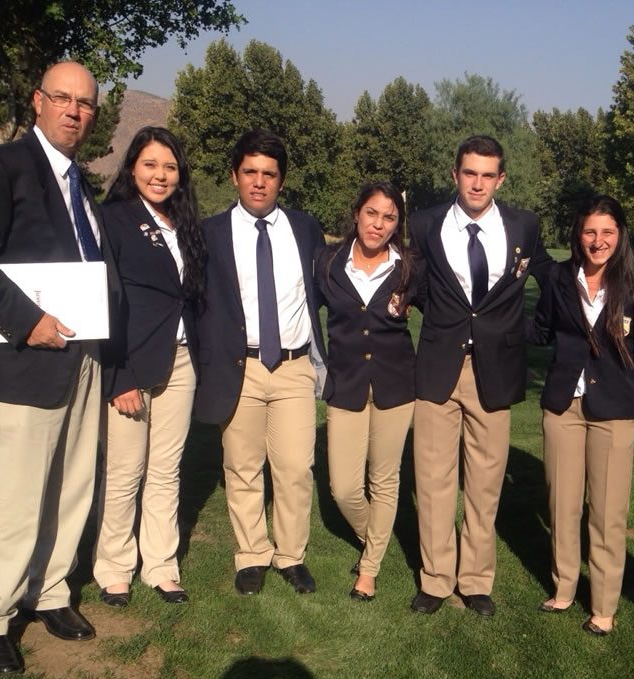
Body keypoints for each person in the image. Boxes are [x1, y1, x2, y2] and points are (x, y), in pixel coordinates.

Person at [0, 61, 113, 675]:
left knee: (72, 485)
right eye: (62, 98)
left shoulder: (80, 183)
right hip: (25, 357)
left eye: (85, 104)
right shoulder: (2, 167)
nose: (74, 111)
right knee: (14, 494)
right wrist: (26, 319)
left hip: (83, 356)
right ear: (38, 102)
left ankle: (50, 590)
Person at [407, 135, 552, 617]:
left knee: (485, 483)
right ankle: (435, 579)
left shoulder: (524, 225)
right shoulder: (425, 223)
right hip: (438, 367)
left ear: (501, 179)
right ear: (455, 174)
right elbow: (416, 284)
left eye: (488, 175)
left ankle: (474, 580)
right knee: (433, 480)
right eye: (470, 173)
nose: (477, 183)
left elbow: (549, 279)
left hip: (497, 369)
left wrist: (533, 328)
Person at [193, 129, 327, 596]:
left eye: (269, 174)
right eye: (250, 172)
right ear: (234, 176)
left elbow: (325, 289)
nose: (259, 182)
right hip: (239, 366)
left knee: (295, 468)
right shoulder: (209, 233)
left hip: (293, 366)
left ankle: (291, 555)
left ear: (281, 181)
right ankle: (252, 554)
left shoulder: (305, 228)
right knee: (242, 466)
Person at [532, 195, 634, 634]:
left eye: (607, 232)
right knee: (562, 505)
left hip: (614, 411)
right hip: (563, 407)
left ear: (621, 234)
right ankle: (564, 588)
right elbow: (541, 329)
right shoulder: (558, 277)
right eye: (590, 231)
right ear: (578, 233)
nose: (598, 240)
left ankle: (604, 607)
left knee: (607, 513)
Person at [93, 127, 206, 607]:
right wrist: (117, 375)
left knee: (165, 470)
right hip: (131, 362)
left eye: (170, 167)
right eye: (150, 164)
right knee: (125, 471)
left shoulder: (185, 223)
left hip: (181, 362)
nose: (160, 175)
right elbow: (103, 300)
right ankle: (114, 566)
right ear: (132, 168)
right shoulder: (113, 220)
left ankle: (160, 565)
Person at [316, 181, 420, 600]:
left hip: (397, 386)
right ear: (357, 213)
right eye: (372, 213)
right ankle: (374, 536)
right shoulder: (328, 263)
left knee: (384, 479)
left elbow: (442, 314)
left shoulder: (409, 267)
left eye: (389, 217)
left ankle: (369, 568)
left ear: (397, 224)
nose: (378, 224)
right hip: (346, 386)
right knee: (343, 488)